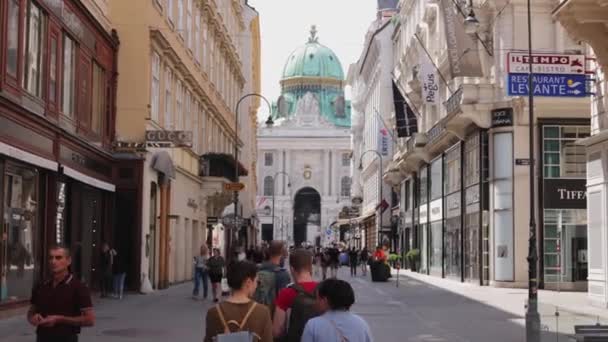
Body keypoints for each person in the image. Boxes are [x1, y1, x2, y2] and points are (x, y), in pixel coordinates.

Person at [28, 244, 95, 342]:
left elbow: (90, 320)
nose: (53, 261)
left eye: (58, 258)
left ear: (68, 261)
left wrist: (60, 319)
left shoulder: (78, 287)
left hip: (66, 338)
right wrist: (33, 318)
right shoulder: (41, 285)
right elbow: (31, 312)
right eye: (51, 258)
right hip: (42, 338)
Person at [204, 260, 273, 342]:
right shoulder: (262, 312)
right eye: (257, 281)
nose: (257, 285)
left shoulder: (213, 312)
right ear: (248, 282)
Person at [301, 279, 372, 342]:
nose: (315, 302)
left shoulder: (313, 325)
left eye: (317, 298)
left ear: (324, 300)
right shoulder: (362, 324)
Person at [273, 248, 320, 342]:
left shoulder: (286, 293)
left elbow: (277, 331)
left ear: (292, 269)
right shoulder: (323, 290)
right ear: (311, 267)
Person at [253, 241, 290, 314]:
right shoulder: (282, 274)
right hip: (272, 314)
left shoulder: (257, 268)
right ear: (282, 254)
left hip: (256, 311)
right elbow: (282, 303)